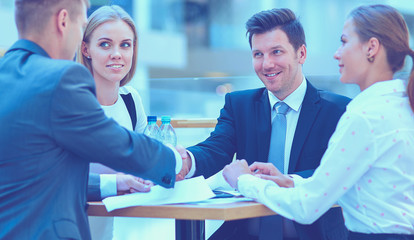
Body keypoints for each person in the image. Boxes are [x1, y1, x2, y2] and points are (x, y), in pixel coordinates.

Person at [0, 1, 185, 239]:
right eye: (82, 25)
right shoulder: (60, 79)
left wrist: (112, 184)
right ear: (63, 21)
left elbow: (34, 176)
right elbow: (117, 145)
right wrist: (176, 160)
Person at [223, 4, 414, 240]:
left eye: (344, 41)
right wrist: (289, 181)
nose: (337, 53)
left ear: (371, 47)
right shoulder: (401, 104)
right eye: (258, 54)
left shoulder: (364, 116)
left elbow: (307, 207)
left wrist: (244, 181)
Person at [178, 8, 350, 240]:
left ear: (301, 54)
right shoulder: (238, 104)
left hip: (311, 233)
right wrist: (185, 161)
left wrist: (287, 181)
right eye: (258, 54)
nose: (266, 64)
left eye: (276, 52)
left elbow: (335, 175)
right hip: (246, 232)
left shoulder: (338, 111)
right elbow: (216, 149)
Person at [78, 5, 174, 240]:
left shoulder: (131, 100)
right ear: (86, 49)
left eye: (125, 45)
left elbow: (143, 159)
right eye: (105, 44)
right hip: (73, 225)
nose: (117, 54)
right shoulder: (74, 103)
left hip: (115, 226)